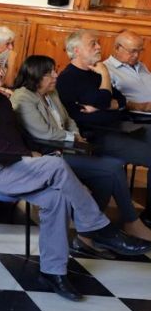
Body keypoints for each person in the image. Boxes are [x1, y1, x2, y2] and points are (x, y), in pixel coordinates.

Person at [0, 46, 149, 300]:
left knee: (56, 198)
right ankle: (99, 229)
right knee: (55, 165)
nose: (1, 72)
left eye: (0, 67)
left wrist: (34, 151)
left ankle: (53, 271)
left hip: (11, 165)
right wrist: (26, 155)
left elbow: (16, 135)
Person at [11, 55, 151, 250]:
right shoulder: (23, 96)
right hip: (49, 154)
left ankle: (87, 236)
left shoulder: (51, 94)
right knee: (111, 168)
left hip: (69, 148)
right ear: (35, 75)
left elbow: (68, 120)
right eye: (49, 73)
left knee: (107, 175)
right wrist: (73, 138)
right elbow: (43, 132)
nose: (55, 75)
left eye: (54, 71)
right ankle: (122, 224)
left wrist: (75, 134)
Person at [56, 29, 151, 223]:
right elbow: (103, 100)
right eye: (93, 44)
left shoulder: (93, 72)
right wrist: (106, 76)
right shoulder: (69, 77)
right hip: (97, 136)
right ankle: (135, 220)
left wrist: (106, 103)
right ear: (77, 50)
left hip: (121, 126)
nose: (99, 47)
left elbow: (119, 99)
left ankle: (104, 223)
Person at [105, 30, 151, 110]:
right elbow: (107, 102)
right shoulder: (106, 69)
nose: (136, 55)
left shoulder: (141, 65)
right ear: (117, 48)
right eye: (132, 51)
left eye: (140, 51)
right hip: (134, 117)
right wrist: (142, 107)